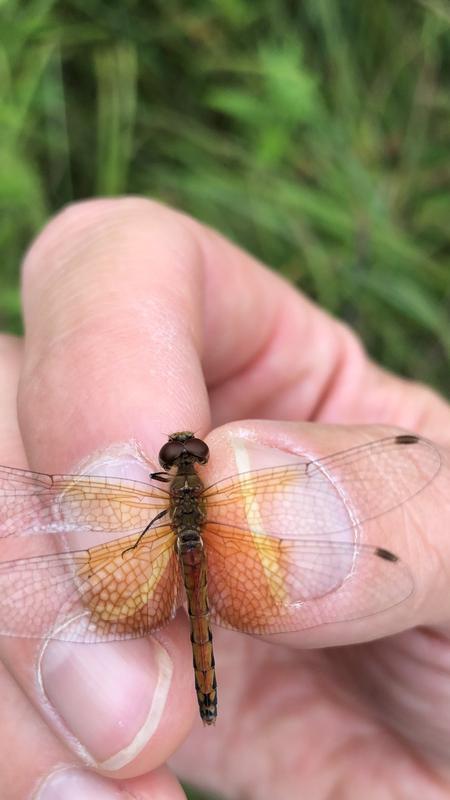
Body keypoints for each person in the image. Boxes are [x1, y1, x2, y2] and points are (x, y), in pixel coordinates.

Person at [1, 198, 448, 800]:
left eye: (185, 455)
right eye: (183, 456)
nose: (185, 456)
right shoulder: (215, 491)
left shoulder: (159, 494)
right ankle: (209, 697)